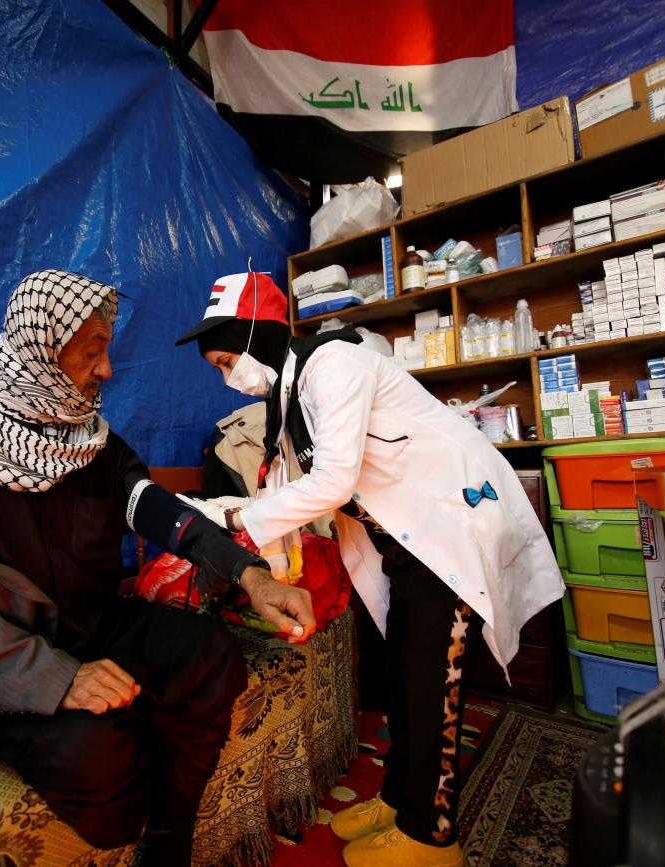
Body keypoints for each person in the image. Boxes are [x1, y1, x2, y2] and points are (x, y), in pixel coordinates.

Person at [0, 269, 315, 867]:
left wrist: (248, 574)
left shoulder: (93, 439)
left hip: (88, 625)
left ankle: (169, 844)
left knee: (210, 655)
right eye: (94, 350)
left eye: (107, 350)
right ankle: (10, 726)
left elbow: (151, 507)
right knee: (101, 754)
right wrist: (53, 678)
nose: (106, 370)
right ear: (43, 347)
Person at [176, 271, 564, 867]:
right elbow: (275, 497)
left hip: (453, 530)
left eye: (228, 360)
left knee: (433, 686)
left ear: (258, 334)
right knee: (405, 677)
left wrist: (235, 525)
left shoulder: (332, 365)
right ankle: (398, 799)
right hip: (409, 547)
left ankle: (432, 837)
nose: (228, 377)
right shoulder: (288, 401)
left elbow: (331, 481)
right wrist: (222, 527)